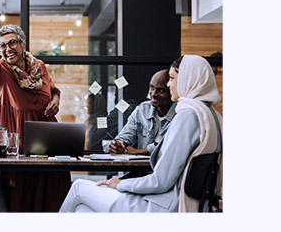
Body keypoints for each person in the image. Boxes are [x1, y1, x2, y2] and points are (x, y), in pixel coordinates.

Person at [59, 55, 222, 212]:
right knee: (81, 210)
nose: (170, 84)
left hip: (163, 205)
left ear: (188, 78)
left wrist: (118, 184)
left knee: (79, 187)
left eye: (172, 78)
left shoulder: (187, 115)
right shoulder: (213, 116)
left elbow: (160, 181)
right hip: (189, 204)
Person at [0, 8, 69, 212]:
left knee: (52, 194)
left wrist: (56, 99)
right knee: (18, 195)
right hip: (15, 144)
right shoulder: (2, 71)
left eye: (12, 43)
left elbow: (53, 89)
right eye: (2, 46)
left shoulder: (39, 66)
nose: (7, 49)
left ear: (22, 44)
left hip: (48, 142)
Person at [104, 69, 176, 156]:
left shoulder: (180, 113)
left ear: (172, 91)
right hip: (140, 169)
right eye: (152, 87)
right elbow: (124, 137)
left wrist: (137, 151)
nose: (153, 94)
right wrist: (118, 145)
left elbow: (168, 145)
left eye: (161, 90)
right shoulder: (142, 110)